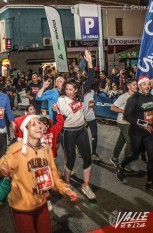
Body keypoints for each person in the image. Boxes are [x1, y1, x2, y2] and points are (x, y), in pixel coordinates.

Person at [0, 115, 78, 233]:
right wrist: (2, 171)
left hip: (42, 203)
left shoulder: (46, 149)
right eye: (33, 124)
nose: (39, 126)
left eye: (39, 123)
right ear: (26, 130)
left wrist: (66, 190)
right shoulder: (16, 149)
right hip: (22, 208)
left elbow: (54, 177)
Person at [56, 49, 96, 200]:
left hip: (81, 129)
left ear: (76, 90)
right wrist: (57, 110)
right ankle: (66, 184)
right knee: (71, 159)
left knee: (87, 158)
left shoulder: (79, 95)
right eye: (66, 89)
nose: (68, 92)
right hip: (68, 132)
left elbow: (91, 80)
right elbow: (65, 113)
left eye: (71, 89)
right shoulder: (62, 100)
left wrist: (89, 62)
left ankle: (86, 186)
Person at [116, 76, 153, 193]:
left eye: (148, 84)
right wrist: (143, 124)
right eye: (144, 84)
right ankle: (121, 166)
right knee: (134, 155)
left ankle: (150, 182)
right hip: (137, 132)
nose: (147, 86)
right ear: (139, 86)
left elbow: (149, 112)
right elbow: (127, 116)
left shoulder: (150, 96)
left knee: (152, 156)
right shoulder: (134, 98)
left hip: (149, 132)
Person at [110, 78, 138, 167]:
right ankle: (125, 163)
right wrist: (124, 111)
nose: (136, 86)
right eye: (134, 84)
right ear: (129, 86)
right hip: (123, 122)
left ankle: (114, 158)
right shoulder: (124, 97)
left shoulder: (136, 96)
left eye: (136, 84)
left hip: (132, 122)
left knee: (121, 140)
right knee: (130, 141)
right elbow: (112, 107)